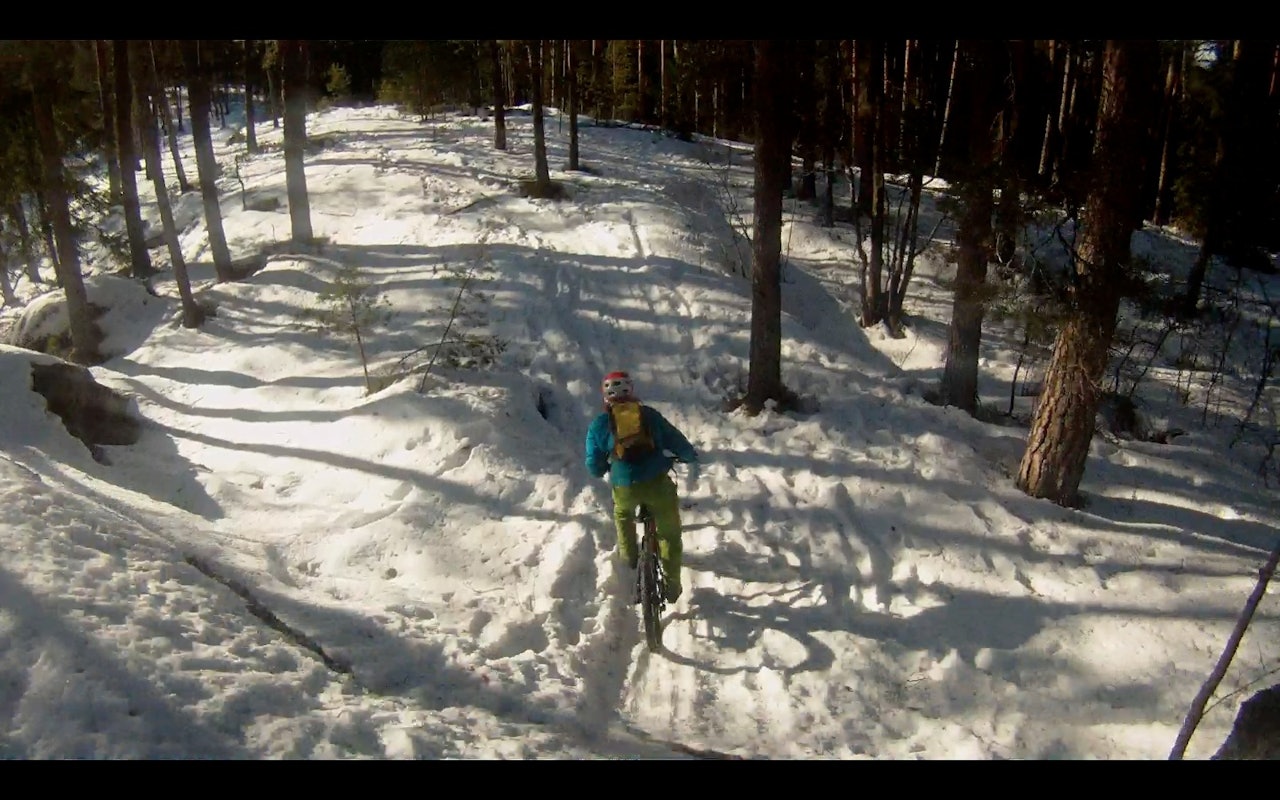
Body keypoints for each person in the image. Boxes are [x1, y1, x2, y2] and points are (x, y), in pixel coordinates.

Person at [584, 370, 699, 604]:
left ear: (605, 397)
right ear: (631, 390)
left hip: (624, 486)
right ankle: (672, 587)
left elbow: (593, 464)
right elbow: (677, 440)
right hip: (657, 483)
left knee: (622, 514)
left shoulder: (598, 425)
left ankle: (630, 557)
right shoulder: (649, 416)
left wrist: (603, 469)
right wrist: (688, 455)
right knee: (669, 535)